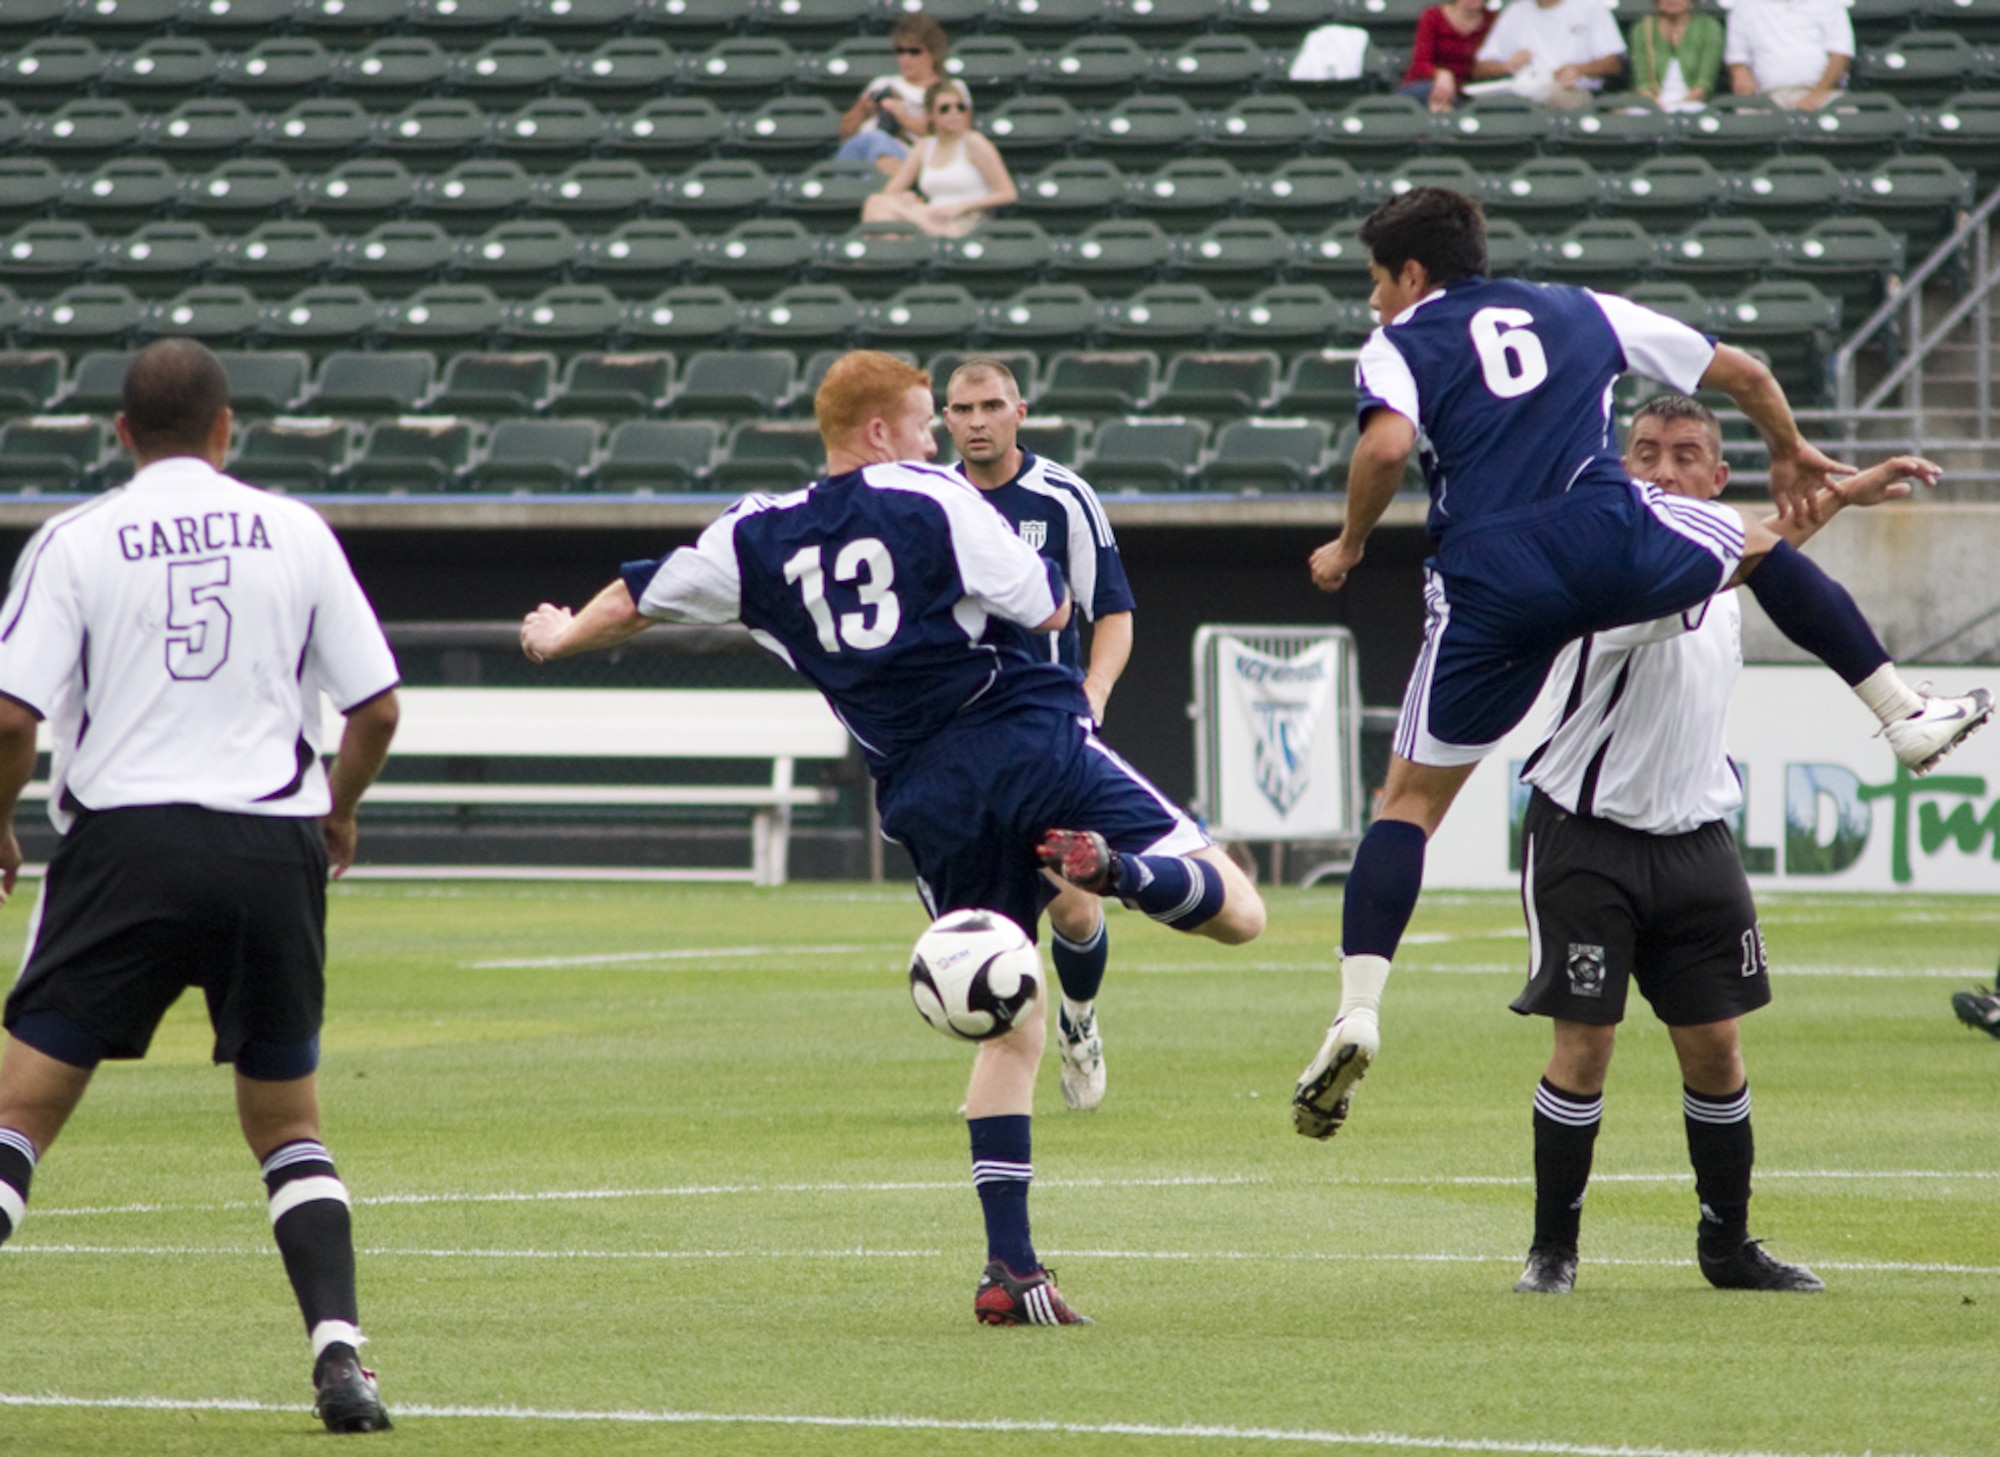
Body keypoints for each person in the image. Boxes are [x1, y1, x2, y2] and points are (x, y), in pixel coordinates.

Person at [519, 351, 1264, 1327]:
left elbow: (635, 603)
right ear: (879, 432)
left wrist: (557, 633)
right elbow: (1045, 605)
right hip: (1023, 738)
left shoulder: (752, 532)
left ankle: (1010, 1269)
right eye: (923, 424)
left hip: (923, 794)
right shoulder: (932, 496)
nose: (936, 441)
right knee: (1240, 910)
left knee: (1006, 1013)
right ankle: (1115, 869)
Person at [1288, 187, 1992, 1144]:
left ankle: (1358, 1007)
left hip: (1490, 574)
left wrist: (1351, 542)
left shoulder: (1400, 341)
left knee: (1407, 803)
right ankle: (1901, 708)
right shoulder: (1584, 309)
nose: (1375, 302)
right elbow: (1740, 372)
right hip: (1603, 539)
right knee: (1758, 548)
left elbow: (1386, 444)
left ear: (1412, 275)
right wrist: (1789, 452)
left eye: (1377, 282)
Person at [0, 339, 401, 1432]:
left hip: (124, 841)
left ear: (120, 435)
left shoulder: (74, 540)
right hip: (268, 844)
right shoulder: (296, 531)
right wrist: (340, 806)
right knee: (288, 1122)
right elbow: (374, 708)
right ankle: (341, 1358)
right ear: (229, 431)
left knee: (17, 1116)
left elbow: (9, 714)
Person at [1512, 393, 1935, 1297]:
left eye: (1683, 454)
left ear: (1718, 476)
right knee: (1584, 1047)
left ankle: (1727, 1245)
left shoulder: (1725, 555)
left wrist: (1836, 501)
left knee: (1717, 1050)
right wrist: (1811, 516)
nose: (1661, 470)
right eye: (1644, 453)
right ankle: (1553, 1251)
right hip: (1587, 838)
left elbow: (1762, 559)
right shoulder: (1614, 567)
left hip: (1696, 838)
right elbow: (1751, 557)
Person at [942, 357, 1136, 1114]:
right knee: (987, 911)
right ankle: (1001, 1059)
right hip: (957, 740)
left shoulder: (1063, 498)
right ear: (946, 420)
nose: (979, 420)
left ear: (1020, 410)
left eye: (992, 404)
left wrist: (1094, 690)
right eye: (963, 409)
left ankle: (1079, 1021)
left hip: (1046, 730)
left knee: (1074, 904)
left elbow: (1111, 608)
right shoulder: (931, 499)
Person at [860, 80, 1016, 239]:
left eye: (960, 107)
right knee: (881, 212)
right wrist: (904, 196)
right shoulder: (924, 145)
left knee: (877, 206)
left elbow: (1008, 193)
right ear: (930, 115)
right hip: (933, 217)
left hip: (966, 221)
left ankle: (876, 260)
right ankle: (888, 260)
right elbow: (891, 191)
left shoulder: (974, 142)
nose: (954, 113)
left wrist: (960, 207)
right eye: (945, 109)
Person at [835, 12, 953, 179]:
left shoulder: (947, 89)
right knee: (868, 141)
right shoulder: (881, 83)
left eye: (914, 51)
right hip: (862, 151)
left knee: (877, 140)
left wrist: (902, 116)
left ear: (933, 52)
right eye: (900, 51)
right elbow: (845, 131)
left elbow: (949, 135)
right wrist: (863, 109)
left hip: (913, 158)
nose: (906, 58)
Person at [1471, 0, 1626, 109]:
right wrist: (1507, 66)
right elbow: (1480, 68)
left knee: (1562, 99)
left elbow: (1613, 64)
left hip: (1572, 90)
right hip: (1522, 93)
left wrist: (1579, 70)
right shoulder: (1515, 11)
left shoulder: (1590, 6)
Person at [1725, 0, 1851, 110]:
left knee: (1848, 119)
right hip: (1767, 97)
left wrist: (1816, 95)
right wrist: (1745, 83)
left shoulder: (1829, 3)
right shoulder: (1744, 7)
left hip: (1823, 93)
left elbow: (1840, 55)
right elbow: (1738, 61)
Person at [1626, 0, 1724, 110]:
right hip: (1654, 104)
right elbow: (1643, 83)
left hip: (1694, 103)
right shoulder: (1642, 29)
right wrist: (1656, 105)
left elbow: (1704, 84)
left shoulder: (1709, 28)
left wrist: (1677, 105)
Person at [1401, 0, 1497, 113]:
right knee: (1434, 94)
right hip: (1428, 85)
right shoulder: (1432, 17)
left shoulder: (1493, 20)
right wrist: (1440, 74)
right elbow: (1420, 63)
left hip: (1467, 92)